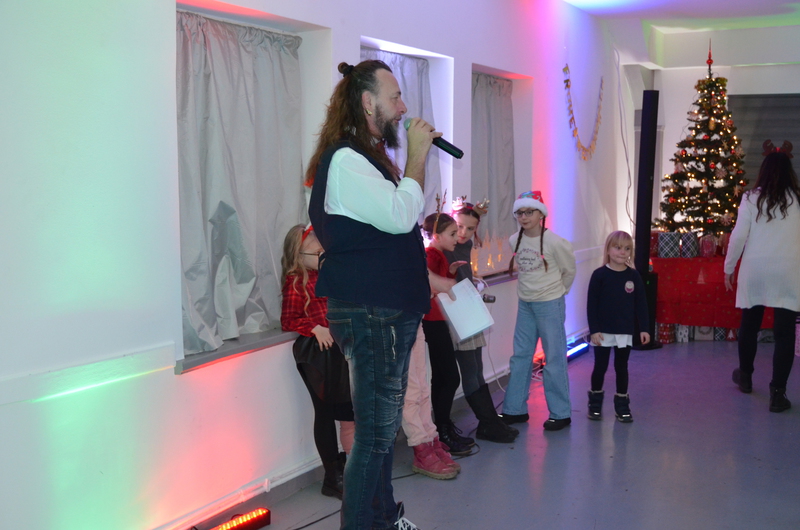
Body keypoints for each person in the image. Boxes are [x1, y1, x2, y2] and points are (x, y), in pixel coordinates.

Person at [306, 59, 440, 530]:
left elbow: (388, 223)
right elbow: (402, 216)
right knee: (375, 437)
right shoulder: (345, 161)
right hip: (372, 313)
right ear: (367, 103)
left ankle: (382, 518)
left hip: (384, 311)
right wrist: (419, 156)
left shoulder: (363, 159)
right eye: (395, 97)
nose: (403, 108)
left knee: (381, 435)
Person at [280, 225, 355, 499]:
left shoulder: (329, 275)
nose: (322, 256)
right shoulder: (295, 282)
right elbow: (288, 319)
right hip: (316, 355)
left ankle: (350, 464)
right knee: (323, 412)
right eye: (316, 253)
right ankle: (332, 476)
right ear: (299, 255)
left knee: (347, 409)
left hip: (338, 350)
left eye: (324, 251)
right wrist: (314, 328)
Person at [725, 150, 800, 412]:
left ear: (763, 172)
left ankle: (745, 376)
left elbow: (738, 237)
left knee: (749, 325)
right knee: (785, 334)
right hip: (789, 272)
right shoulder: (798, 200)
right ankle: (777, 394)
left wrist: (728, 268)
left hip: (755, 271)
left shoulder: (750, 198)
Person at [443, 197, 519, 443]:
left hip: (468, 309)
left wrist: (474, 211)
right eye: (458, 227)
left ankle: (489, 422)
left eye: (470, 228)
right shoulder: (444, 247)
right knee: (470, 370)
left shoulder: (464, 245)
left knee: (477, 368)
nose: (463, 233)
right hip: (456, 314)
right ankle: (488, 423)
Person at [501, 191, 577, 431]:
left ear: (541, 214)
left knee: (553, 358)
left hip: (549, 304)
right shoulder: (514, 240)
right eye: (519, 213)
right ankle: (514, 409)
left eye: (529, 212)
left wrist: (558, 292)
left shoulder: (555, 242)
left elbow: (569, 271)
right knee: (521, 356)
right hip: (526, 304)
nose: (523, 217)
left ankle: (560, 413)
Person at [421, 212, 476, 456]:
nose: (458, 237)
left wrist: (451, 272)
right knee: (449, 377)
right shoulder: (431, 255)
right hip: (433, 322)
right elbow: (432, 287)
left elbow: (441, 284)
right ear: (436, 235)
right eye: (452, 233)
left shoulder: (439, 255)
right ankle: (442, 430)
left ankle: (443, 429)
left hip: (439, 320)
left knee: (444, 377)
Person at [586, 230, 650, 422]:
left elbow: (641, 304)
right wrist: (594, 330)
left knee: (622, 367)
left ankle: (622, 406)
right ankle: (595, 404)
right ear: (608, 249)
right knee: (600, 366)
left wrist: (644, 328)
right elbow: (591, 306)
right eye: (618, 247)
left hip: (624, 331)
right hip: (602, 332)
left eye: (627, 249)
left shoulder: (634, 276)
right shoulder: (599, 275)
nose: (622, 252)